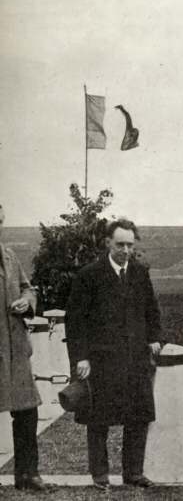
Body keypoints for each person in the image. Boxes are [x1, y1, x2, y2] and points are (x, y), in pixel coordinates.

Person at [65, 218, 163, 491]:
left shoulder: (140, 273)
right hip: (101, 362)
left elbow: (151, 311)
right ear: (108, 242)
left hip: (134, 361)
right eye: (120, 244)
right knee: (98, 420)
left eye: (130, 244)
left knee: (139, 417)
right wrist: (80, 358)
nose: (125, 250)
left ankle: (133, 472)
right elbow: (75, 322)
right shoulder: (89, 275)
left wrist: (155, 338)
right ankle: (100, 475)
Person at [0, 204, 50, 492]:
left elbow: (28, 287)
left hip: (16, 350)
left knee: (27, 411)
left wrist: (26, 301)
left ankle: (27, 474)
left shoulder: (9, 255)